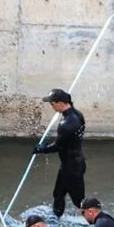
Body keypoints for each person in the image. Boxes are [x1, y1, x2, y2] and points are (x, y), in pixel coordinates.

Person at [32, 89, 86, 218]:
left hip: (71, 168)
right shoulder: (78, 115)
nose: (52, 106)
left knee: (78, 200)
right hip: (74, 163)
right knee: (58, 194)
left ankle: (95, 221)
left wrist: (41, 149)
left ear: (61, 103)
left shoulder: (66, 124)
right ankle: (56, 219)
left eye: (52, 104)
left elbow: (58, 146)